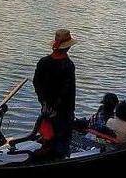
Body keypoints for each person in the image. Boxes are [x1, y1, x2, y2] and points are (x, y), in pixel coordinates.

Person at [32, 29, 77, 159]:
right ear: (67, 47)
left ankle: (46, 150)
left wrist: (44, 102)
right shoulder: (68, 65)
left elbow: (36, 83)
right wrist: (56, 106)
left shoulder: (43, 62)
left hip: (46, 105)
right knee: (62, 139)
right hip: (63, 108)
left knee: (48, 132)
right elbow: (66, 90)